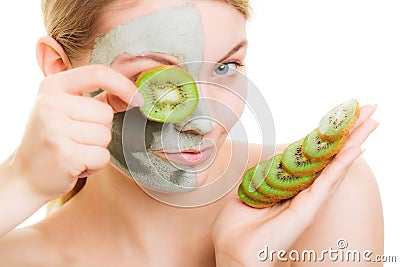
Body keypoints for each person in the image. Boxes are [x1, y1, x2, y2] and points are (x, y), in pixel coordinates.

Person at [0, 0, 383, 266]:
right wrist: (21, 181)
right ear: (59, 67)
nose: (202, 122)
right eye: (153, 77)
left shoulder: (324, 198)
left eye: (225, 67)